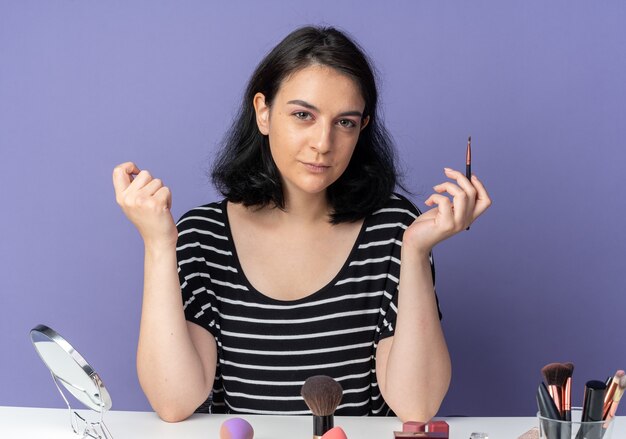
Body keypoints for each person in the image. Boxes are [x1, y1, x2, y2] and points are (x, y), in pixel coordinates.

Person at [112, 26, 491, 423]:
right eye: (302, 115)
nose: (323, 142)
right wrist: (157, 245)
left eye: (344, 122)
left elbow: (417, 407)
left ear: (362, 127)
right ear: (263, 112)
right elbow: (174, 402)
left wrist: (415, 252)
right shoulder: (203, 236)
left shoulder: (394, 229)